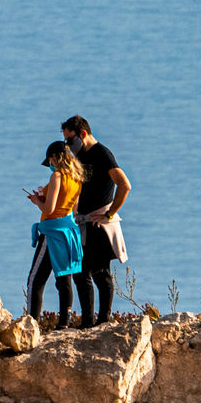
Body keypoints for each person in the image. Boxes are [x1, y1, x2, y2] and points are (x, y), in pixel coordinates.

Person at [61, 114, 130, 327]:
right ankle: (88, 322)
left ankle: (103, 320)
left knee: (100, 273)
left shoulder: (102, 153)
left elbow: (124, 184)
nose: (68, 145)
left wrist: (109, 214)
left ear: (83, 134)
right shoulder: (79, 157)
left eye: (70, 140)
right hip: (83, 221)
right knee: (81, 273)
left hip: (100, 222)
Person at [24, 140, 86, 329]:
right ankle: (64, 323)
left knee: (35, 280)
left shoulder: (57, 177)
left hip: (51, 232)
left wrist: (36, 201)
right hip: (68, 231)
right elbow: (73, 208)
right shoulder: (77, 177)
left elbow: (49, 209)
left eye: (50, 160)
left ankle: (31, 324)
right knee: (64, 277)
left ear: (55, 158)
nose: (49, 164)